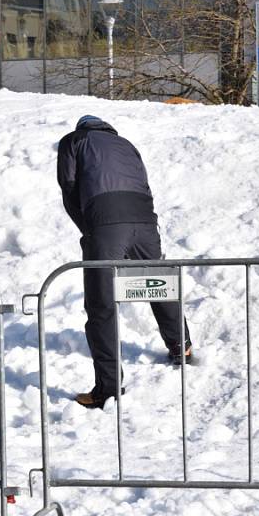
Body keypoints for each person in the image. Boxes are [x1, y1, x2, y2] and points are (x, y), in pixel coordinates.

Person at [57, 114, 192, 409]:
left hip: (105, 221)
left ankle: (107, 388)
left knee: (101, 303)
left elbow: (68, 187)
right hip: (144, 218)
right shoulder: (126, 144)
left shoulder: (74, 141)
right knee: (159, 284)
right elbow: (144, 183)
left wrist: (89, 228)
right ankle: (181, 346)